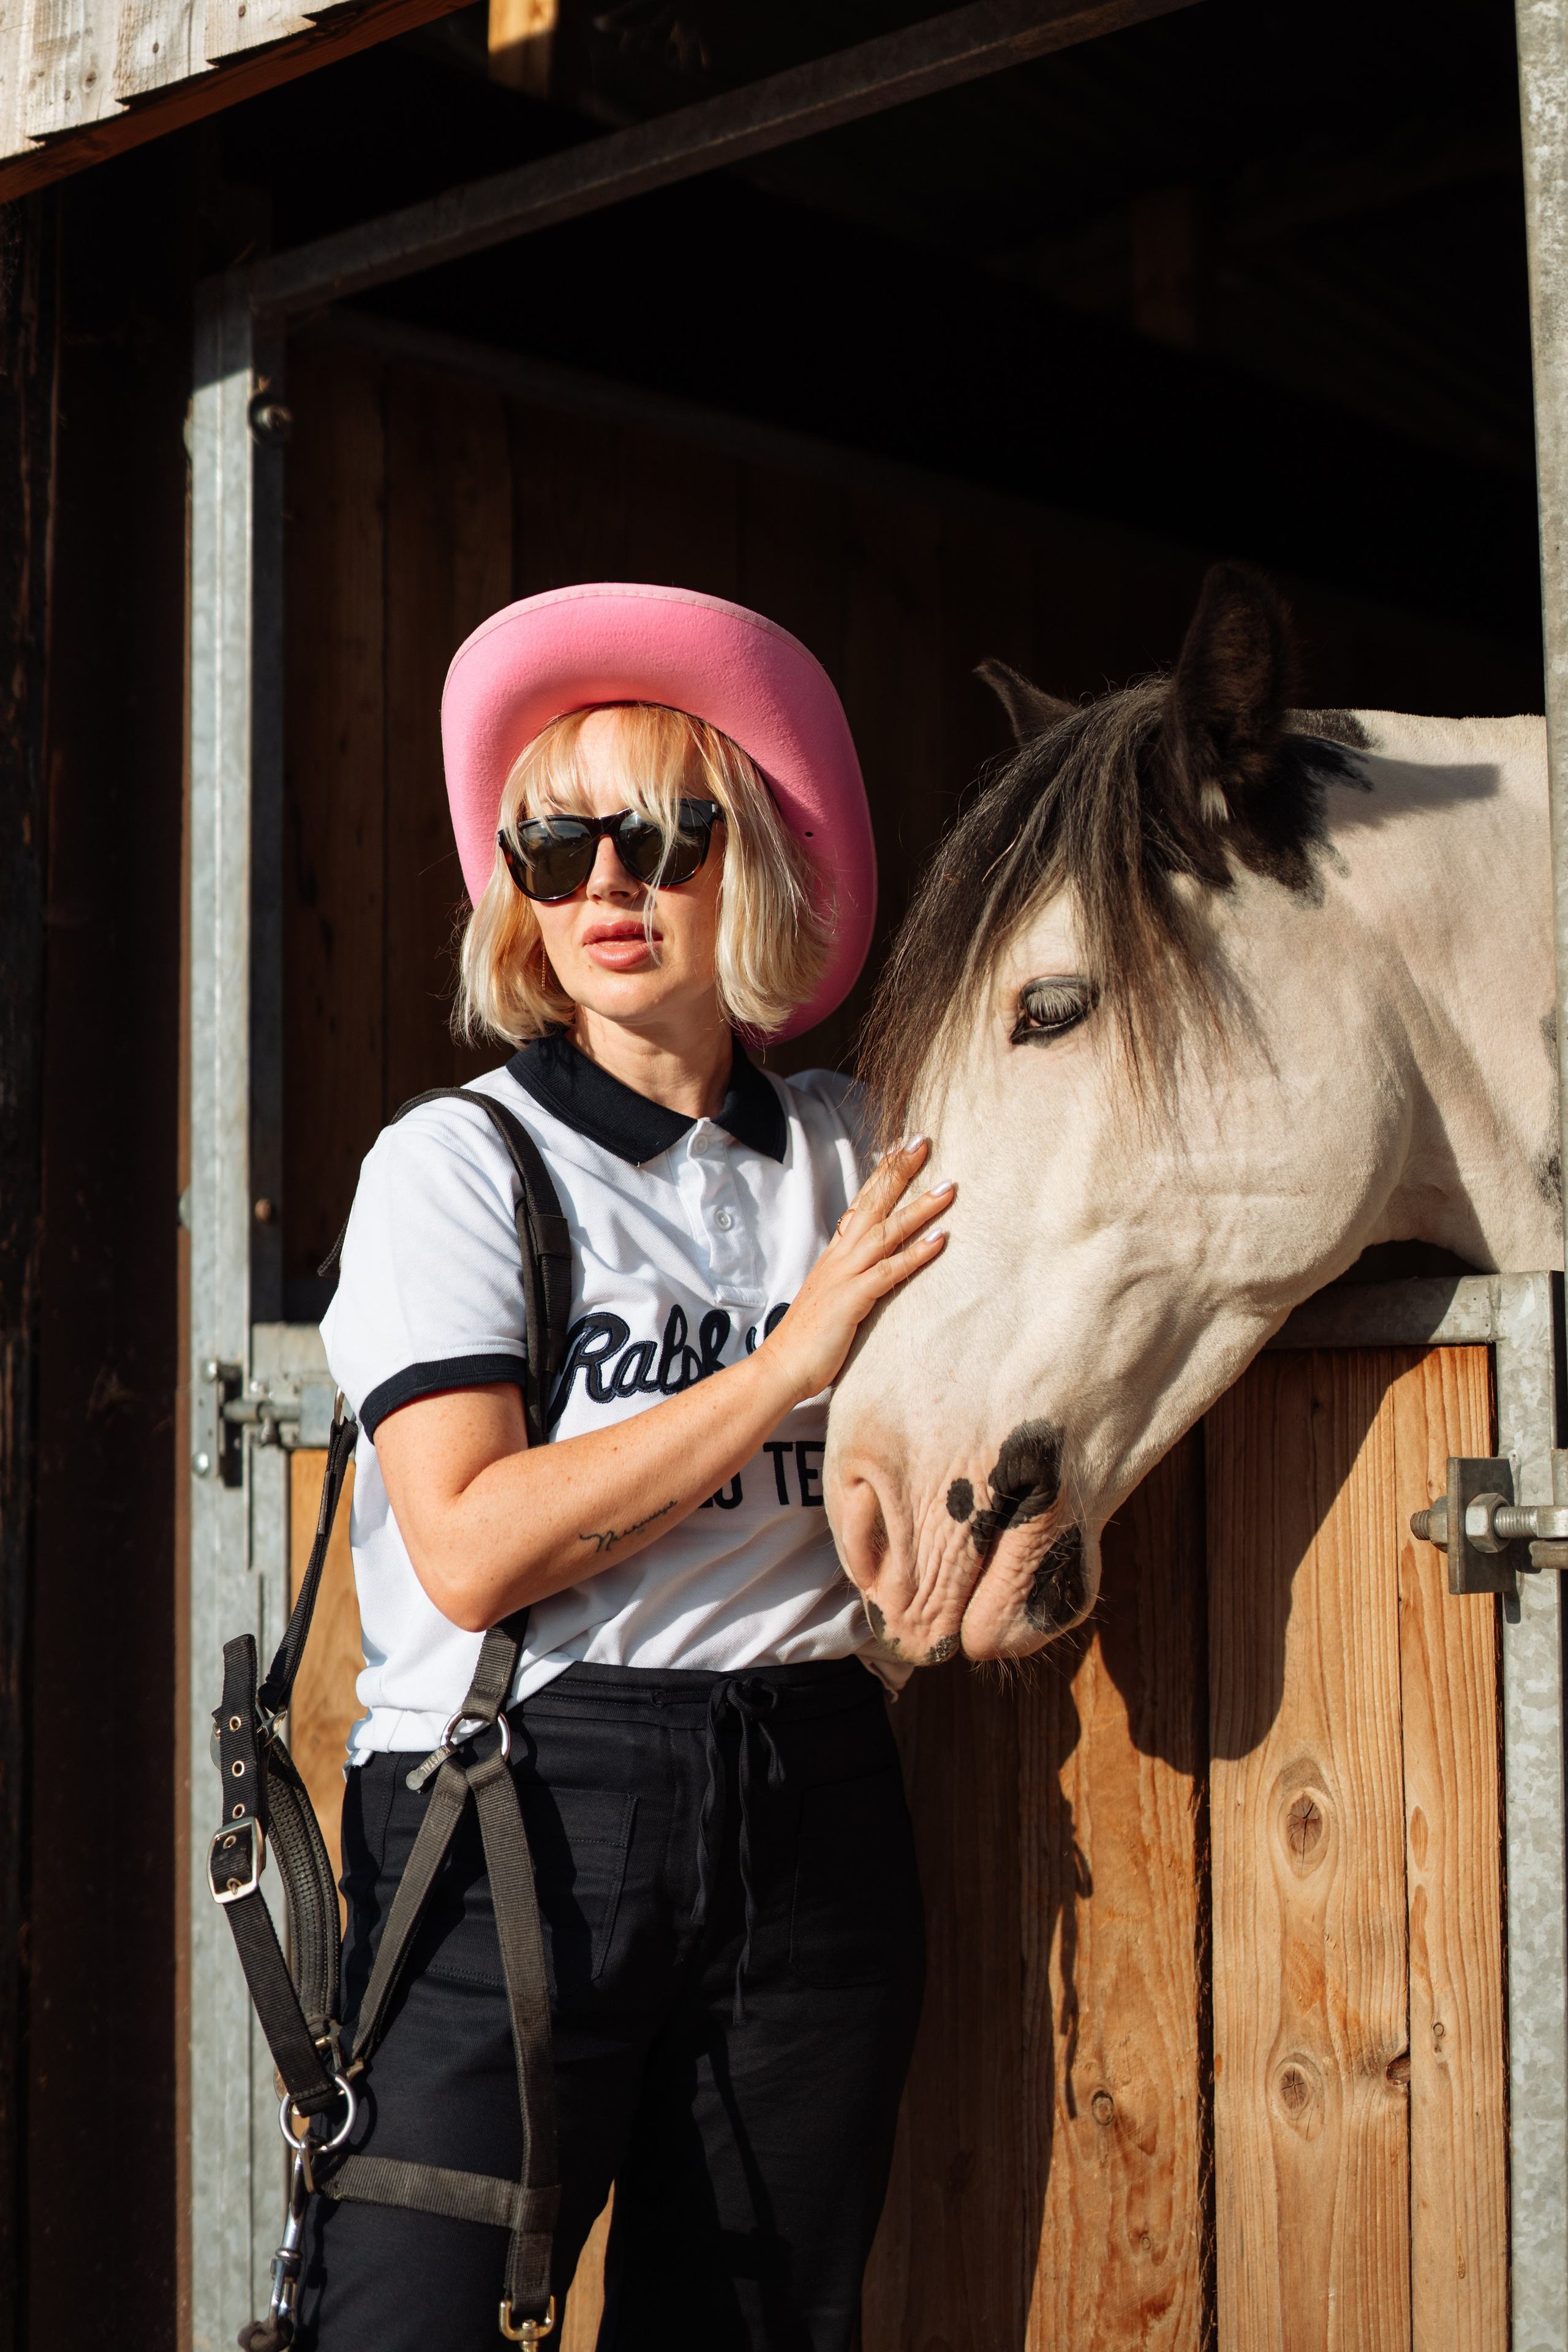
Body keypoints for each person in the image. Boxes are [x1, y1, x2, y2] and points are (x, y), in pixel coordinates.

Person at [298, 584, 954, 2352]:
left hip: (814, 1790)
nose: (607, 883)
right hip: (527, 1801)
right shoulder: (460, 1165)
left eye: (664, 834)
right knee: (405, 2324)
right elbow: (471, 1546)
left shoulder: (860, 1146)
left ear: (750, 867)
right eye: (555, 840)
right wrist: (790, 1367)